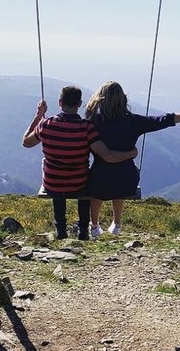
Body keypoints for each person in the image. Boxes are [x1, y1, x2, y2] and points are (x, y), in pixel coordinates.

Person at [84, 80, 180, 236]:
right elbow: (165, 119)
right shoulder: (134, 121)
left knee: (99, 179)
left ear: (101, 99)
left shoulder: (93, 122)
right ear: (123, 99)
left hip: (99, 180)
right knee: (121, 174)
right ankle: (117, 224)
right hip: (126, 181)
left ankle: (94, 225)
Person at [22, 85, 138, 241]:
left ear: (60, 102)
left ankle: (61, 229)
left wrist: (38, 116)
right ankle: (83, 229)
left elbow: (26, 143)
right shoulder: (87, 127)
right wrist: (131, 153)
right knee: (85, 183)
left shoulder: (45, 124)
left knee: (56, 177)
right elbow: (105, 154)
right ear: (79, 104)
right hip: (79, 182)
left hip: (53, 183)